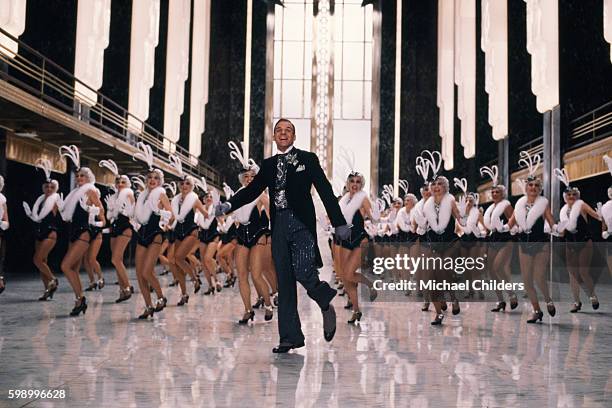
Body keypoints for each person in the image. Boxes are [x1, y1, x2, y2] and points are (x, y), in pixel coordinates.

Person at [215, 118, 350, 353]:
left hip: (301, 225)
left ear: (294, 136)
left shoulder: (307, 159)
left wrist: (339, 222)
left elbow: (326, 190)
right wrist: (229, 205)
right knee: (285, 282)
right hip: (278, 227)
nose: (283, 133)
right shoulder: (268, 165)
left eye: (288, 130)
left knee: (303, 271)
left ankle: (325, 300)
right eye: (279, 130)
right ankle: (290, 337)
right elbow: (251, 191)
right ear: (274, 137)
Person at [58, 145, 105, 316]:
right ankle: (79, 300)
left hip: (84, 232)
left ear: (89, 177)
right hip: (74, 231)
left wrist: (94, 214)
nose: (79, 178)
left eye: (82, 176)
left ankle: (81, 298)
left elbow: (102, 214)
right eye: (77, 176)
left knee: (65, 266)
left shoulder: (90, 190)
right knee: (73, 268)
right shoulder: (75, 193)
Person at [553, 168, 600, 312]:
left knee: (583, 272)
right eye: (568, 194)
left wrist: (602, 213)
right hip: (570, 243)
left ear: (577, 196)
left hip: (584, 241)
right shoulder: (563, 211)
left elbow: (598, 217)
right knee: (572, 273)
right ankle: (576, 302)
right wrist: (554, 230)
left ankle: (592, 296)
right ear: (565, 196)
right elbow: (561, 233)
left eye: (574, 194)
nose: (571, 196)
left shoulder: (582, 205)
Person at [23, 159, 62, 300]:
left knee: (37, 259)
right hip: (39, 231)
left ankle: (53, 279)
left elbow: (63, 213)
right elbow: (37, 217)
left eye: (52, 187)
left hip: (50, 232)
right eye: (47, 186)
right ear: (43, 187)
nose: (49, 189)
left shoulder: (56, 199)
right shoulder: (40, 200)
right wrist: (29, 214)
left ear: (55, 188)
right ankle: (47, 290)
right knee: (42, 262)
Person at [100, 159, 135, 303]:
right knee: (116, 260)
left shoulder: (129, 194)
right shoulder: (114, 197)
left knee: (115, 259)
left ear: (127, 185)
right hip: (115, 228)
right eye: (118, 182)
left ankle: (127, 287)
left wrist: (126, 211)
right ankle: (122, 289)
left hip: (125, 228)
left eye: (123, 183)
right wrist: (111, 209)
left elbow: (133, 213)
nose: (120, 185)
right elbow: (109, 217)